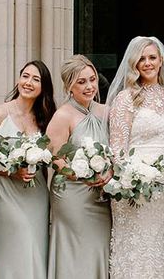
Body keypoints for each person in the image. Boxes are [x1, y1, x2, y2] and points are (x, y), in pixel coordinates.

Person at [106, 36, 164, 279]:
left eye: (152, 57)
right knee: (137, 244)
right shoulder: (125, 98)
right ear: (134, 63)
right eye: (142, 58)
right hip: (135, 186)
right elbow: (117, 148)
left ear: (161, 61)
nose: (147, 63)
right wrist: (133, 179)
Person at [0, 60, 55, 278]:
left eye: (36, 79)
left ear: (43, 87)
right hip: (6, 192)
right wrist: (12, 171)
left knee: (35, 247)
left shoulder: (45, 117)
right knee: (15, 246)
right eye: (25, 76)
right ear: (18, 78)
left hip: (36, 193)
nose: (29, 82)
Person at [47, 55, 111, 279]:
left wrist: (109, 172)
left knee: (98, 246)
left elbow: (116, 150)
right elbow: (54, 158)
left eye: (92, 79)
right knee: (76, 248)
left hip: (100, 195)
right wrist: (80, 174)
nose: (89, 86)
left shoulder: (105, 111)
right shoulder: (63, 115)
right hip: (72, 195)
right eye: (81, 82)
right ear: (69, 86)